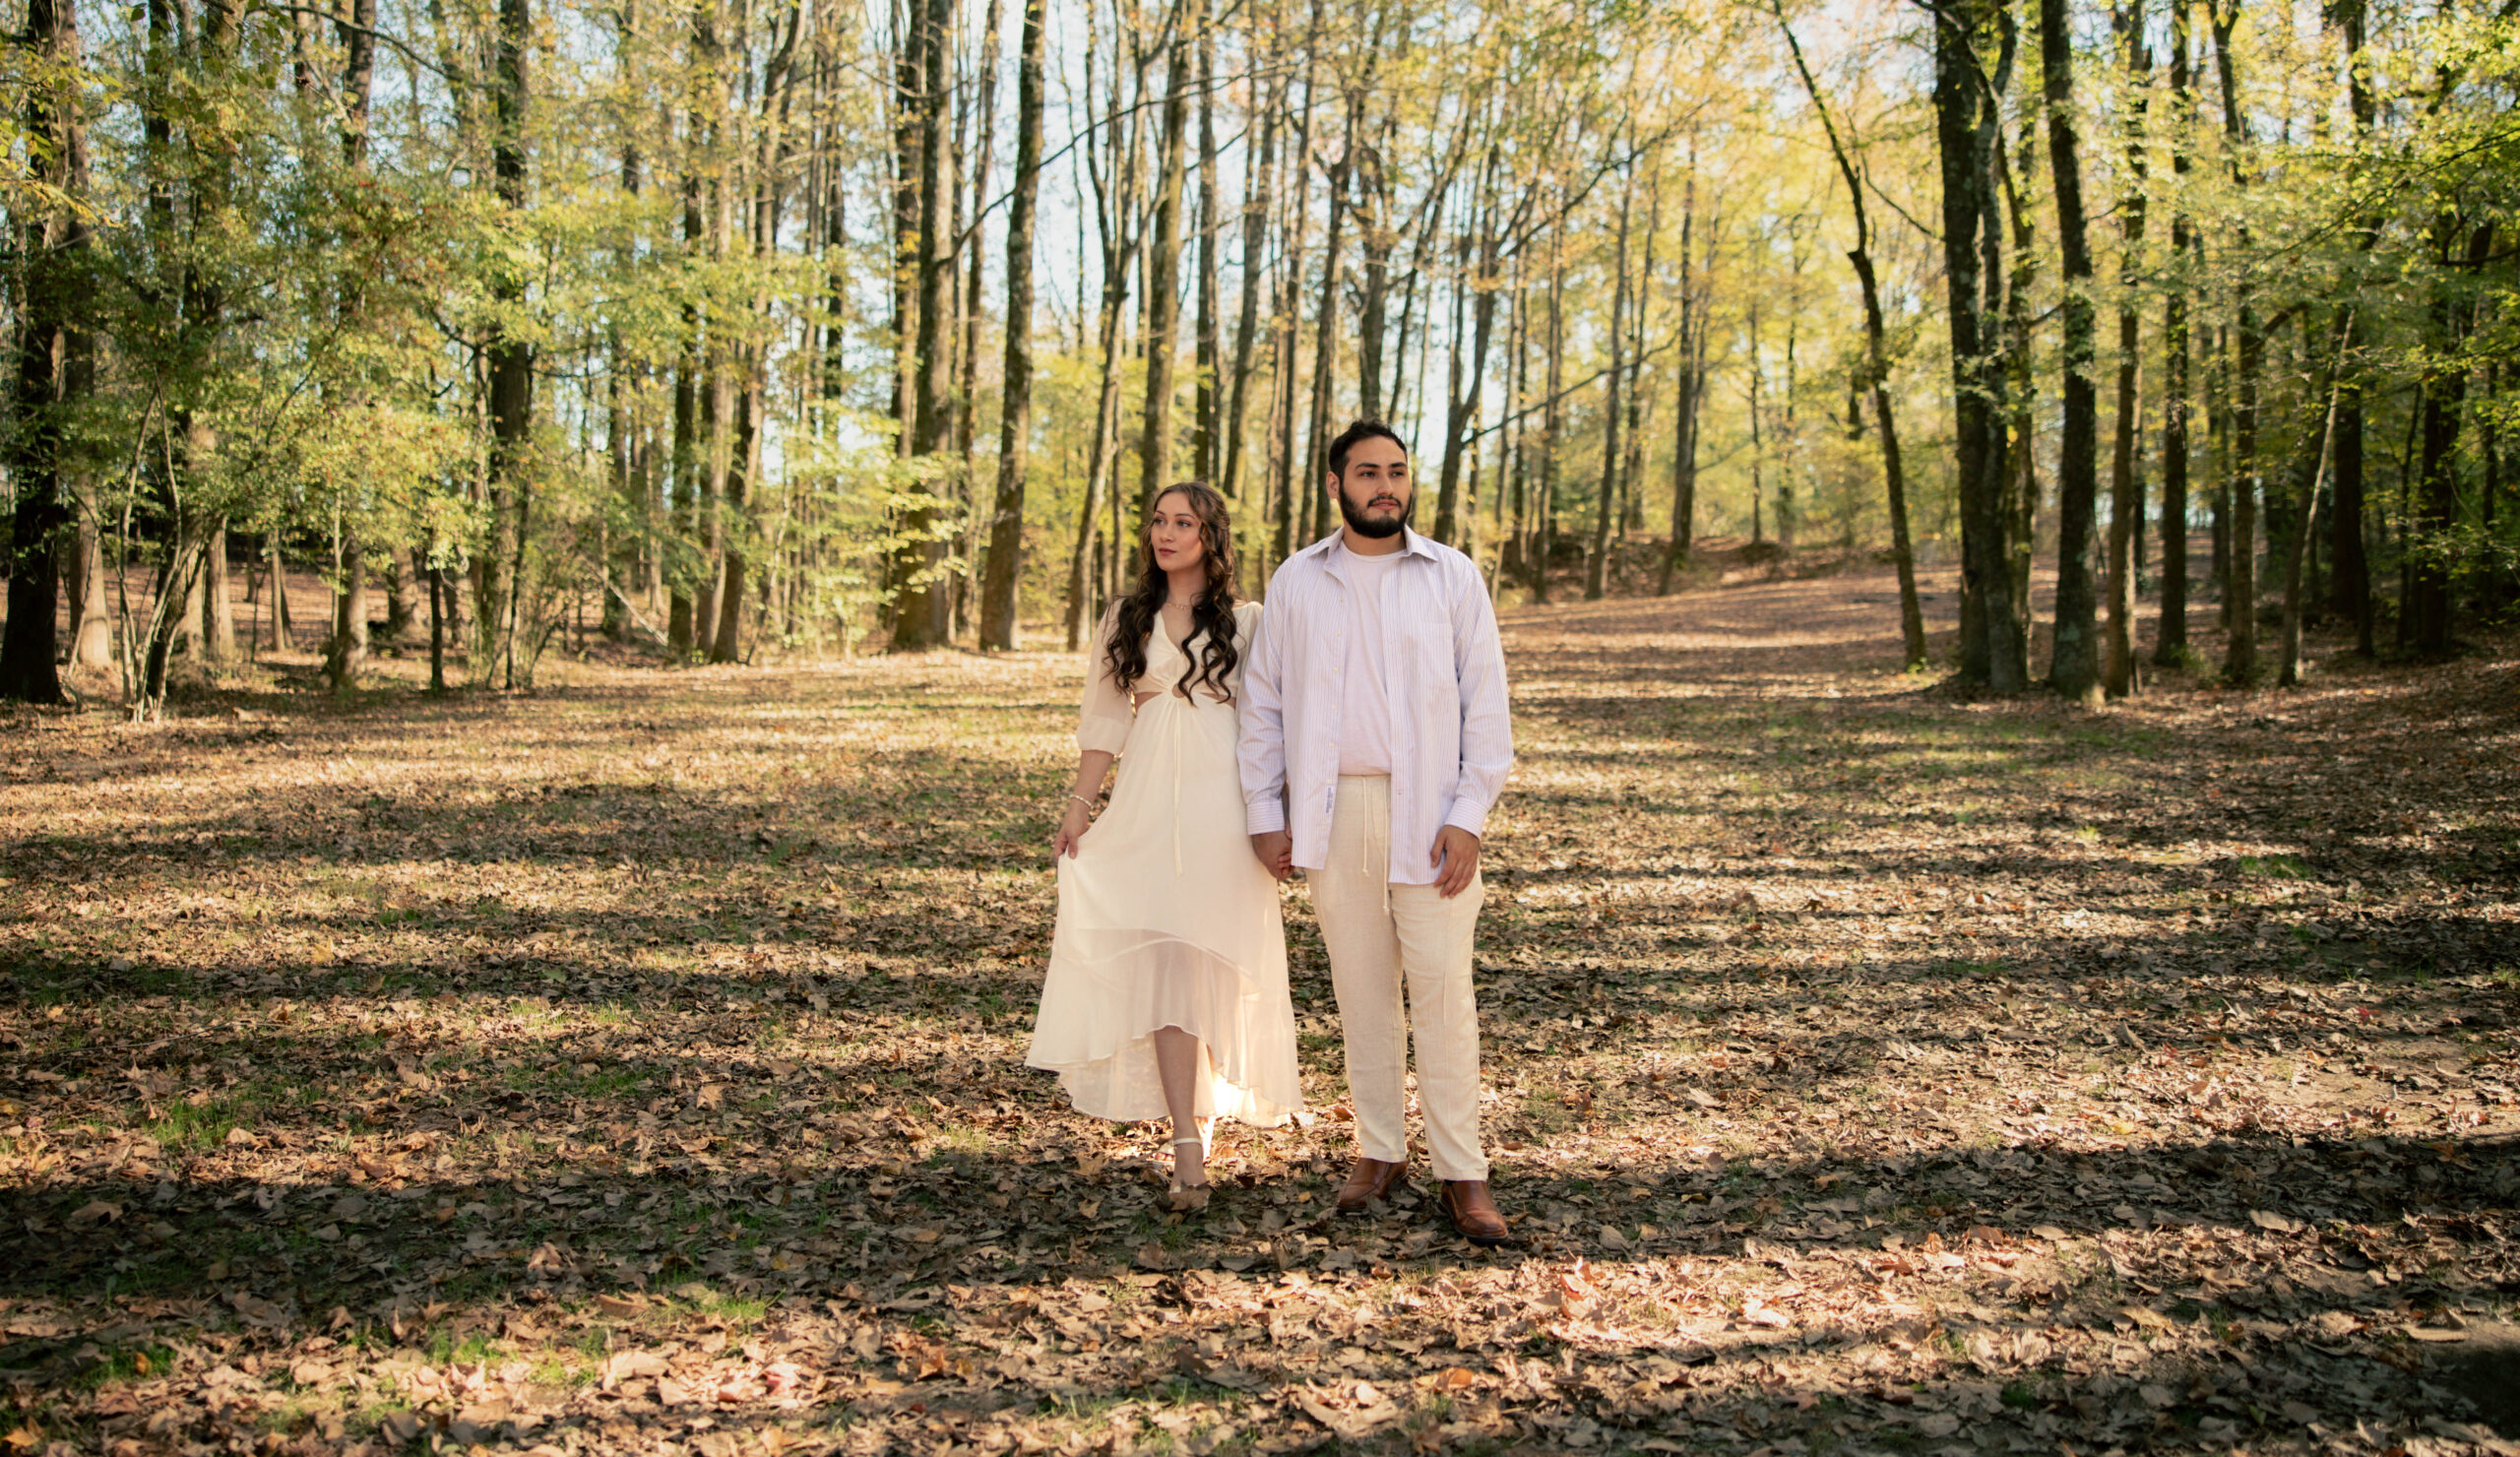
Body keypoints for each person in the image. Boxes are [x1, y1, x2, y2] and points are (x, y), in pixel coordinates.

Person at [1237, 420, 1516, 1245]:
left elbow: (1486, 705)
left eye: (1396, 471)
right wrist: (1266, 816)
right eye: (1367, 473)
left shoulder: (1452, 578)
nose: (1385, 485)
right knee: (1360, 993)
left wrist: (1469, 817)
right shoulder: (1298, 581)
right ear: (1336, 486)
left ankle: (1463, 1171)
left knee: (1443, 998)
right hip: (1334, 814)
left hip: (1432, 818)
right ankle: (1380, 1148)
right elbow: (1264, 707)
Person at [1027, 481, 1303, 1211]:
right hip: (1150, 804)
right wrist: (1079, 809)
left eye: (1184, 522)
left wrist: (1281, 817)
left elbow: (1276, 725)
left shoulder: (1250, 621)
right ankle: (1186, 1139)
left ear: (1212, 536)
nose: (1166, 532)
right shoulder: (1127, 616)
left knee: (1215, 959)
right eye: (1158, 520)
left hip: (1225, 807)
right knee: (1168, 959)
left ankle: (1206, 1113)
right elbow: (1104, 721)